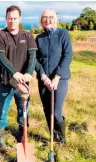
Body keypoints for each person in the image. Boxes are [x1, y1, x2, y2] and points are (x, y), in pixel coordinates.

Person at [0, 5, 37, 152]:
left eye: (15, 18)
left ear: (20, 19)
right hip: (5, 82)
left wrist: (29, 72)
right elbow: (1, 56)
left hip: (23, 84)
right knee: (1, 112)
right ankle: (2, 142)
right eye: (9, 18)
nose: (12, 21)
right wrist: (14, 73)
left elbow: (32, 56)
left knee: (23, 111)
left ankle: (21, 138)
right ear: (6, 18)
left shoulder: (28, 36)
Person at [35, 8, 72, 144]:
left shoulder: (63, 34)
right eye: (44, 17)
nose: (47, 19)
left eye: (50, 16)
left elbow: (67, 56)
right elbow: (35, 60)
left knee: (56, 112)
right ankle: (52, 137)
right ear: (41, 20)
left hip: (60, 79)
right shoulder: (39, 38)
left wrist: (56, 77)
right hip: (43, 80)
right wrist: (43, 76)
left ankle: (61, 140)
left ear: (55, 19)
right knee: (46, 109)